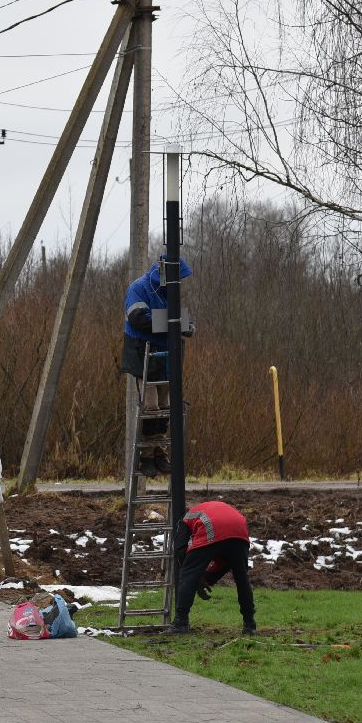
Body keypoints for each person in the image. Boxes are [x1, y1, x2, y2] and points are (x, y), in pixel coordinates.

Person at [121, 255, 193, 476]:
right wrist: (172, 323)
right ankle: (147, 457)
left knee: (164, 408)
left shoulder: (168, 292)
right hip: (144, 355)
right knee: (150, 407)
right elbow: (137, 318)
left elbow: (178, 321)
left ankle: (160, 454)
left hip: (166, 357)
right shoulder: (140, 288)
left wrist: (183, 325)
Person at [169, 499, 256, 635]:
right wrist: (207, 578)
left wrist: (194, 577)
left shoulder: (185, 519)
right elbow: (225, 562)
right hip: (240, 530)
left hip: (212, 526)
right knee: (242, 578)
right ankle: (250, 625)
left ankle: (180, 623)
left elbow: (180, 550)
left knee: (187, 573)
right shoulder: (215, 507)